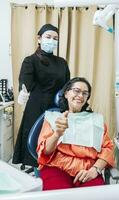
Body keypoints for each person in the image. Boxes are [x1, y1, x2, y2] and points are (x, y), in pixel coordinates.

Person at [37, 77, 115, 190]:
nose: (80, 95)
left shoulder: (96, 120)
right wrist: (57, 134)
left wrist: (95, 170)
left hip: (87, 170)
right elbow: (45, 151)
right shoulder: (53, 118)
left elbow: (108, 149)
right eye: (76, 91)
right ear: (66, 93)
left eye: (85, 93)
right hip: (57, 167)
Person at [12, 24, 70, 170]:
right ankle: (35, 169)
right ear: (39, 38)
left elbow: (67, 85)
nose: (52, 40)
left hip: (57, 107)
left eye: (55, 38)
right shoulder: (31, 60)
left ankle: (50, 169)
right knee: (34, 138)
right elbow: (25, 82)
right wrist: (23, 91)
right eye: (48, 37)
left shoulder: (62, 62)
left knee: (53, 140)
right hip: (36, 107)